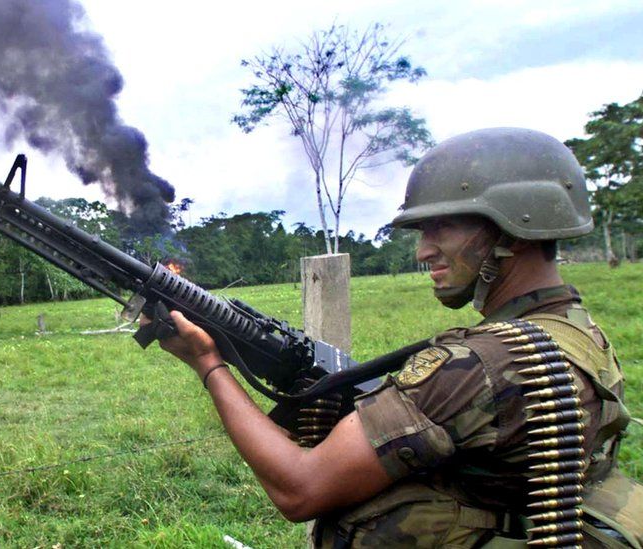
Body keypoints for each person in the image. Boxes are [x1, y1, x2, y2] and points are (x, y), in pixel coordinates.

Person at [149, 128, 642, 547]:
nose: (423, 251)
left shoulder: (478, 366)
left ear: (512, 232)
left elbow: (299, 490)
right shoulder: (574, 326)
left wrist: (208, 362)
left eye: (441, 228)